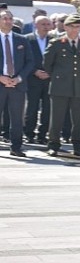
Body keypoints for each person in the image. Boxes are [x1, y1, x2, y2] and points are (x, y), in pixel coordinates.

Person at [43, 14, 80, 157]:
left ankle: (78, 144)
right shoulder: (57, 43)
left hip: (79, 86)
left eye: (78, 26)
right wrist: (58, 77)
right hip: (60, 86)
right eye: (72, 26)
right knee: (57, 118)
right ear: (65, 27)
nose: (76, 29)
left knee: (78, 118)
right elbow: (47, 64)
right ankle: (53, 144)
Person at [0, 10, 35, 157]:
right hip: (1, 82)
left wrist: (19, 78)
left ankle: (16, 147)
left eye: (10, 18)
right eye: (4, 18)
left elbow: (30, 61)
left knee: (16, 118)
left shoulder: (22, 39)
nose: (8, 21)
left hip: (17, 84)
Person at [24, 15, 53, 145]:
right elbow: (23, 60)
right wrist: (34, 71)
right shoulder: (27, 39)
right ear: (36, 25)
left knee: (47, 108)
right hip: (32, 79)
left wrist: (49, 72)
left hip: (49, 79)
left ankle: (42, 134)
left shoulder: (54, 40)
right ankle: (29, 133)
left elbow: (58, 60)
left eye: (48, 24)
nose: (46, 27)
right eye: (43, 24)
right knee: (32, 108)